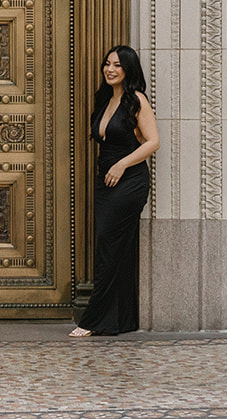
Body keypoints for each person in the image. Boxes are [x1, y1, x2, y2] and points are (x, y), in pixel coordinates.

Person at [70, 45, 159, 337]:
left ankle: (92, 320)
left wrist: (122, 165)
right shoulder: (105, 99)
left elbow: (152, 142)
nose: (110, 69)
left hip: (129, 182)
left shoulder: (137, 101)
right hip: (106, 182)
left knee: (108, 245)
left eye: (117, 65)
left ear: (128, 69)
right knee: (116, 248)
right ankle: (120, 320)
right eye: (107, 64)